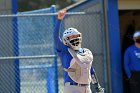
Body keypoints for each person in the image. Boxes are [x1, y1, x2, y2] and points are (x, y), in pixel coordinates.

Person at [53, 9, 104, 93]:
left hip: (87, 88)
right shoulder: (65, 50)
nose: (75, 38)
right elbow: (55, 36)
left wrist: (97, 86)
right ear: (66, 40)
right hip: (72, 88)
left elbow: (90, 70)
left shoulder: (85, 52)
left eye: (76, 36)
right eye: (72, 37)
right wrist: (59, 20)